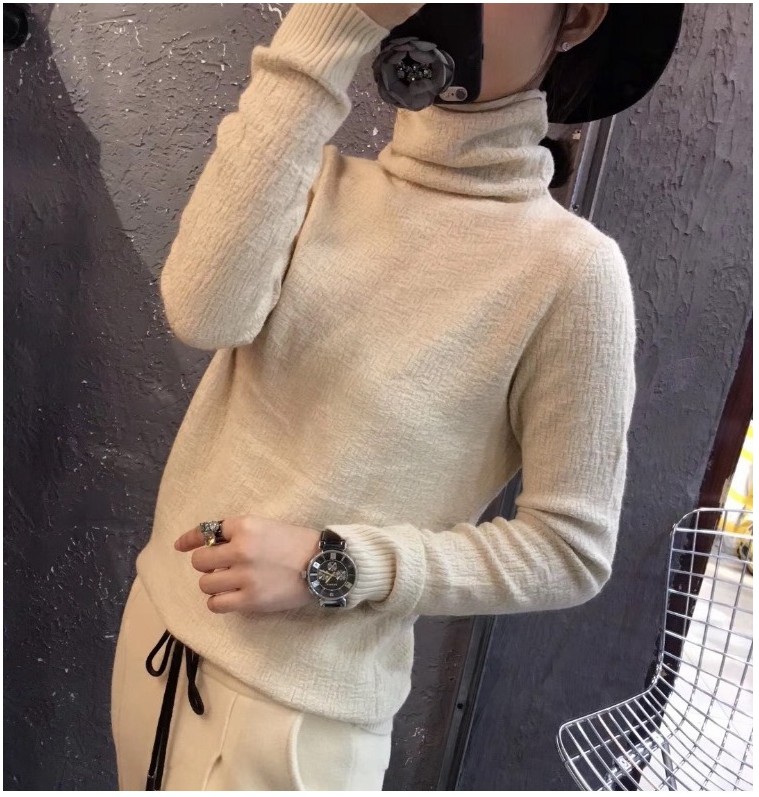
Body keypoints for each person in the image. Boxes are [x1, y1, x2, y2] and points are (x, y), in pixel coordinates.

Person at [109, 2, 684, 790]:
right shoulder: (314, 180)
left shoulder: (570, 272)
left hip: (295, 722)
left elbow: (570, 550)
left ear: (578, 17)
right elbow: (203, 312)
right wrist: (327, 29)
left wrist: (336, 564)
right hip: (156, 637)